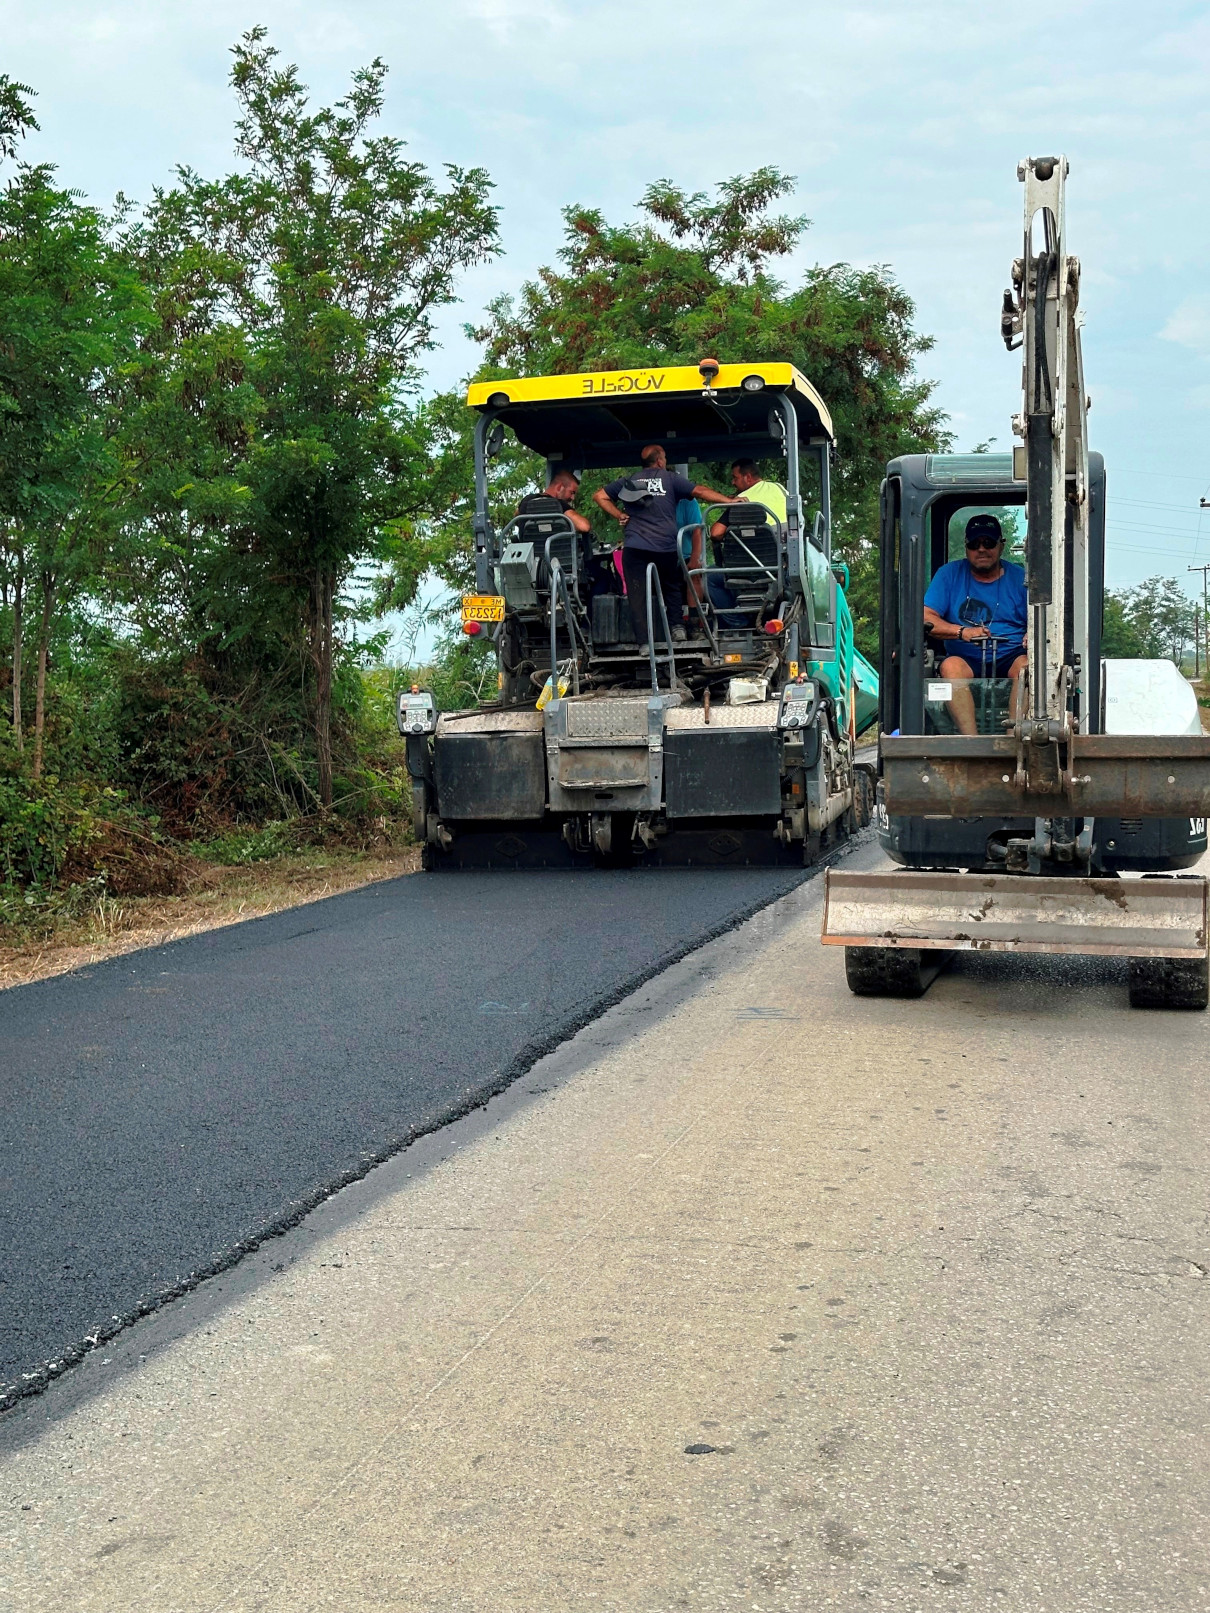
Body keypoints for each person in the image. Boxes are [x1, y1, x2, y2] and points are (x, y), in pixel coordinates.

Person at [593, 446, 734, 644]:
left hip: (635, 547)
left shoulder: (630, 481)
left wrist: (619, 515)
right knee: (671, 588)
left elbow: (599, 496)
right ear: (659, 461)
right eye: (665, 458)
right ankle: (678, 628)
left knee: (637, 594)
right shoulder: (669, 478)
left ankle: (643, 643)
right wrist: (729, 501)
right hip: (665, 547)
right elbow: (700, 490)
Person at [922, 513, 1028, 735]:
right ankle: (972, 743)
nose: (981, 549)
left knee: (1028, 668)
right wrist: (962, 632)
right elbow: (926, 617)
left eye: (988, 542)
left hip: (1011, 656)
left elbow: (1045, 618)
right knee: (950, 667)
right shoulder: (948, 575)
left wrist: (1033, 633)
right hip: (967, 658)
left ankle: (1012, 742)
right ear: (966, 547)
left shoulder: (1022, 578)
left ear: (1001, 545)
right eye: (974, 543)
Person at [705, 460, 789, 625]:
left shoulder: (742, 501)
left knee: (708, 577)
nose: (733, 482)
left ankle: (737, 622)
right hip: (778, 569)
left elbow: (716, 533)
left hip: (742, 570)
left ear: (748, 477)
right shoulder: (780, 489)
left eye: (735, 478)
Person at [518, 469, 591, 533]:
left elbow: (516, 517)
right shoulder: (559, 505)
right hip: (557, 548)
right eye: (572, 492)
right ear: (560, 487)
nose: (573, 498)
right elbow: (584, 526)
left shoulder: (527, 500)